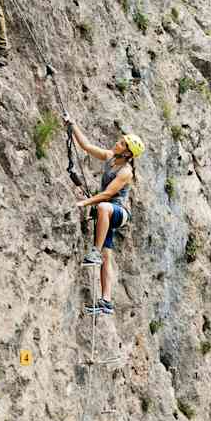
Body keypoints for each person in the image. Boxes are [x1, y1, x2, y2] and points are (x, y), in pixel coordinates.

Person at [63, 113, 142, 316]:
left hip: (119, 212)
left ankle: (95, 253)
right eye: (121, 140)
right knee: (108, 256)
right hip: (105, 214)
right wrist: (73, 125)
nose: (118, 143)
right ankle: (106, 301)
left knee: (104, 207)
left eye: (122, 143)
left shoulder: (126, 171)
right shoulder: (110, 158)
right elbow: (87, 147)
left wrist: (84, 202)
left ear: (127, 154)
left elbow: (108, 194)